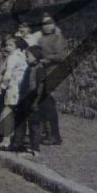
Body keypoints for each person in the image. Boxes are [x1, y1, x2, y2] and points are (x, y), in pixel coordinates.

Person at [0, 34, 26, 145]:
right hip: (21, 88)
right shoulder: (22, 56)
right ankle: (14, 139)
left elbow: (8, 74)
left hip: (12, 88)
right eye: (6, 45)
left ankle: (6, 140)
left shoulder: (12, 57)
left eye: (10, 45)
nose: (7, 47)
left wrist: (3, 86)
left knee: (7, 113)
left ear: (17, 46)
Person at [35, 13, 69, 146]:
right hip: (44, 73)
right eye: (44, 23)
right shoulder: (42, 38)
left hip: (55, 73)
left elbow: (61, 55)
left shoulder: (58, 37)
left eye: (49, 23)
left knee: (49, 105)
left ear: (53, 24)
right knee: (42, 104)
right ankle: (45, 133)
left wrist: (47, 59)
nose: (46, 26)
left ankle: (55, 136)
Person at [7, 44, 44, 157]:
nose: (26, 58)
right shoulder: (29, 68)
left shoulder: (39, 70)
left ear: (36, 57)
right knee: (19, 122)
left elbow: (40, 88)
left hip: (34, 101)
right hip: (24, 100)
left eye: (28, 56)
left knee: (34, 125)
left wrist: (36, 102)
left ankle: (34, 147)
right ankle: (17, 143)